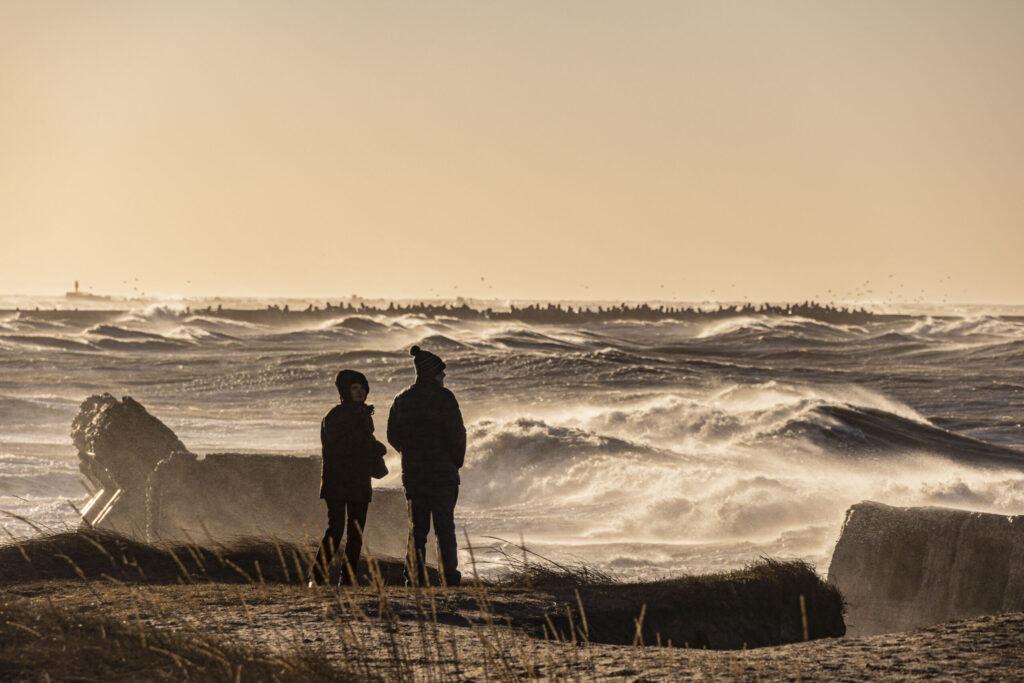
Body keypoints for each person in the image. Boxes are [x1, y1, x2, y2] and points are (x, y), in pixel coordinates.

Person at [387, 346, 466, 586]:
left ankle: (414, 580)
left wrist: (408, 453)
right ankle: (449, 579)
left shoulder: (402, 399)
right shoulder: (445, 398)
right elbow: (457, 434)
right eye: (441, 373)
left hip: (413, 476)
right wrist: (455, 462)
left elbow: (392, 435)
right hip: (442, 476)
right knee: (445, 531)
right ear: (432, 373)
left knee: (417, 531)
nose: (444, 378)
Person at [310, 369, 388, 586]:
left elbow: (358, 444)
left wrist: (372, 447)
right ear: (345, 390)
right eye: (355, 387)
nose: (360, 391)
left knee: (356, 532)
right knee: (335, 530)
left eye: (362, 387)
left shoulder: (363, 415)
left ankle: (348, 579)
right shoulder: (334, 416)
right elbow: (341, 447)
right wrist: (373, 446)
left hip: (359, 480)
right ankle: (316, 576)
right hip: (337, 480)